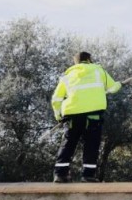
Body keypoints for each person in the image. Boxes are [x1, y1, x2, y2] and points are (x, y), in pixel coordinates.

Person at [50, 51, 121, 183]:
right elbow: (112, 88)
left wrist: (58, 115)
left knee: (68, 143)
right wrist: (118, 84)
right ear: (89, 60)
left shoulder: (67, 76)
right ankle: (88, 175)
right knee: (91, 144)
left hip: (71, 115)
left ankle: (60, 174)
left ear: (75, 62)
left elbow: (56, 99)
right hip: (93, 115)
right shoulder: (99, 71)